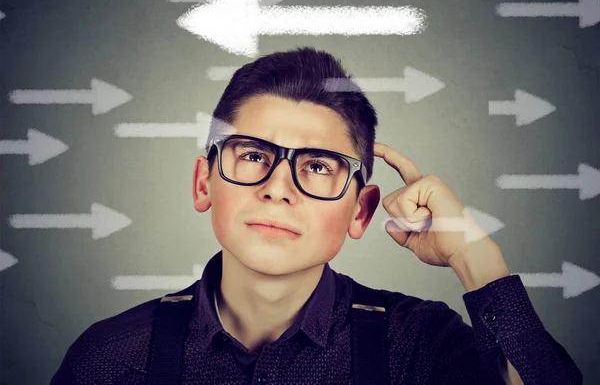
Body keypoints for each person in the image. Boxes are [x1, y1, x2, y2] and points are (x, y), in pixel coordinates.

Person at [50, 47, 582, 384]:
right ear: (203, 182)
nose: (278, 189)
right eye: (253, 156)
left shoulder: (420, 347)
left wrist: (473, 254)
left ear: (361, 210)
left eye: (319, 166)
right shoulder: (109, 359)